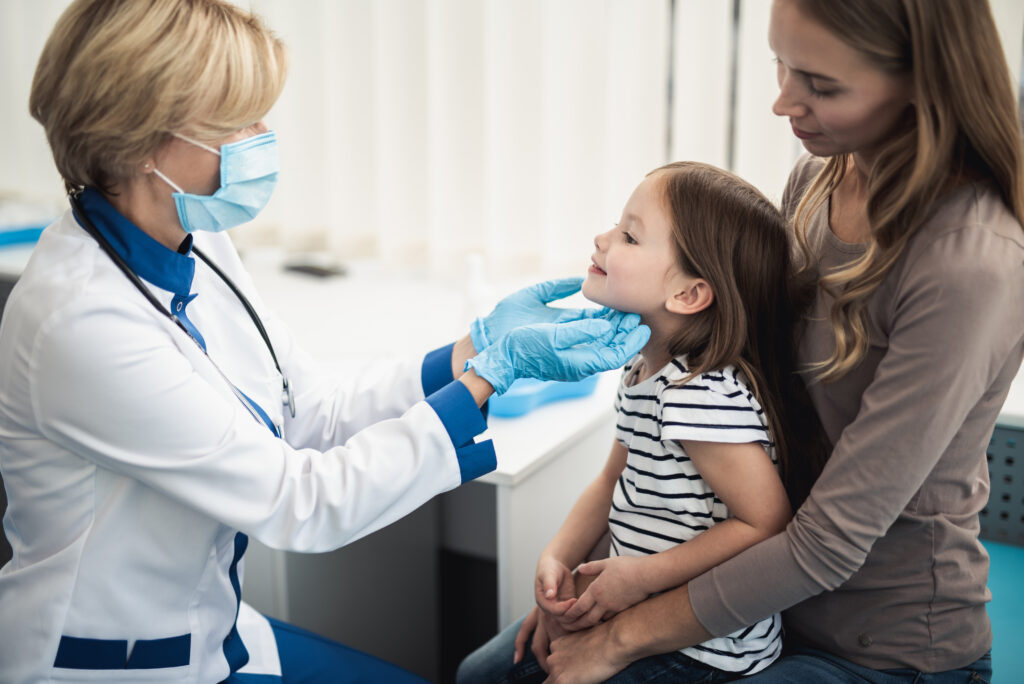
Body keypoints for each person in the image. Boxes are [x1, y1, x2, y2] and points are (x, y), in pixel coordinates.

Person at [0, 1, 649, 682]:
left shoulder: (196, 241)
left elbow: (310, 408)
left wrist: (471, 351)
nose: (262, 136)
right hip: (113, 662)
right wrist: (489, 376)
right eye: (237, 121)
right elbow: (299, 503)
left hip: (209, 626)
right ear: (140, 139)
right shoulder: (78, 323)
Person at [533, 0, 1024, 682]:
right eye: (782, 66)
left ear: (924, 82)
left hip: (880, 647)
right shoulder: (817, 178)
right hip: (756, 608)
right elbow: (738, 381)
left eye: (821, 86)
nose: (782, 104)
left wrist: (622, 635)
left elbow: (827, 543)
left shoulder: (971, 263)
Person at [457, 162, 829, 683]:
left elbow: (765, 521)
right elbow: (612, 481)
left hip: (702, 652)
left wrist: (638, 579)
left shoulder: (700, 395)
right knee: (478, 673)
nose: (603, 238)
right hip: (632, 608)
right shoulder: (643, 371)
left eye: (629, 236)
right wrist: (558, 559)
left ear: (689, 295)